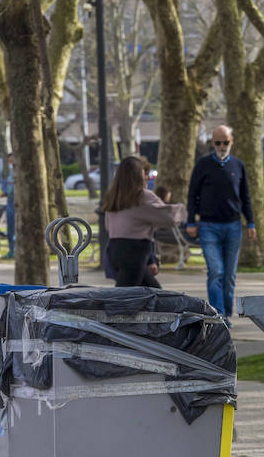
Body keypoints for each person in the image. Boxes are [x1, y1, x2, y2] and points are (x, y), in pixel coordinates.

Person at [185, 126, 255, 316]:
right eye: (218, 142)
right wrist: (191, 221)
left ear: (232, 141)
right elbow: (192, 195)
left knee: (229, 276)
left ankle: (227, 314)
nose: (222, 146)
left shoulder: (238, 166)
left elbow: (245, 196)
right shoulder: (202, 165)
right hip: (208, 226)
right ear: (212, 143)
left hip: (233, 225)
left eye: (225, 142)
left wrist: (251, 222)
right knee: (216, 271)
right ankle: (218, 314)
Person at [102, 155, 182, 288]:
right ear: (138, 176)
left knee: (152, 291)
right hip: (135, 251)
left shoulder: (113, 196)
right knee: (123, 299)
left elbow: (108, 226)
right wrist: (186, 209)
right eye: (144, 173)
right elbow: (169, 217)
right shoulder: (143, 196)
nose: (147, 177)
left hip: (114, 249)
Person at [1, 153, 16, 259]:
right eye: (10, 161)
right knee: (10, 228)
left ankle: (17, 250)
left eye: (12, 161)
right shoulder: (10, 173)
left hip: (19, 203)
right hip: (10, 202)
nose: (11, 163)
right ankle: (12, 250)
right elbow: (8, 188)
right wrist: (5, 192)